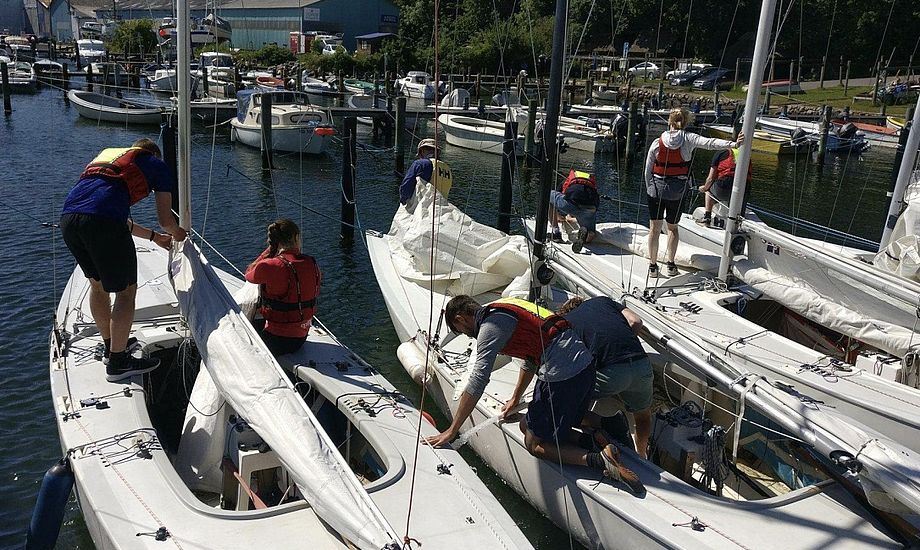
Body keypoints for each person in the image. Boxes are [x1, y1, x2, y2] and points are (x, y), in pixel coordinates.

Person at [425, 295, 646, 495]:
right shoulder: (505, 307)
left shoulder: (489, 327)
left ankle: (599, 460)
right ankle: (606, 428)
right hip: (585, 366)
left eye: (459, 329)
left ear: (461, 318)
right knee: (528, 423)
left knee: (533, 444)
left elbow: (477, 381)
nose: (464, 334)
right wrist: (515, 398)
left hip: (562, 375)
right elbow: (531, 357)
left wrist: (453, 430)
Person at [60, 138, 187, 382]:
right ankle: (118, 363)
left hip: (70, 220)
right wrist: (179, 234)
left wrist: (153, 238)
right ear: (154, 155)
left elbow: (109, 216)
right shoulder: (156, 165)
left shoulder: (107, 158)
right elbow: (166, 221)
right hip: (103, 223)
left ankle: (110, 347)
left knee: (97, 284)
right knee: (126, 292)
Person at [644, 108, 743, 278]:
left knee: (654, 228)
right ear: (686, 122)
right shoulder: (689, 139)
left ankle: (653, 267)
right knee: (672, 228)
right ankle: (670, 264)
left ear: (669, 121)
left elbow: (647, 169)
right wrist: (733, 144)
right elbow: (710, 143)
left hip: (656, 190)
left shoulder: (656, 142)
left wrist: (649, 188)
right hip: (677, 191)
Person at [245, 219, 321, 357]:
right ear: (296, 237)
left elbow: (249, 274)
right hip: (301, 337)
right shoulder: (312, 263)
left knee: (241, 331)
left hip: (276, 340)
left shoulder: (270, 265)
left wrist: (269, 252)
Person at [697, 148, 752, 227]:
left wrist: (704, 188)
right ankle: (738, 223)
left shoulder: (721, 152)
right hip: (744, 191)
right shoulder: (746, 155)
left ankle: (707, 217)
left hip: (724, 187)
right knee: (739, 213)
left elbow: (710, 179)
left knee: (708, 190)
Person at [550, 169, 600, 250]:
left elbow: (560, 200)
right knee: (591, 233)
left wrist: (559, 216)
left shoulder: (567, 181)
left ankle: (556, 232)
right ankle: (586, 235)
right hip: (590, 208)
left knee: (548, 195)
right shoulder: (590, 181)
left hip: (572, 204)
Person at [399, 138, 452, 206]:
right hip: (442, 208)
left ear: (422, 151)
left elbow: (406, 188)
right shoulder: (447, 168)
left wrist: (403, 201)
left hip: (424, 208)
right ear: (438, 152)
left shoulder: (421, 164)